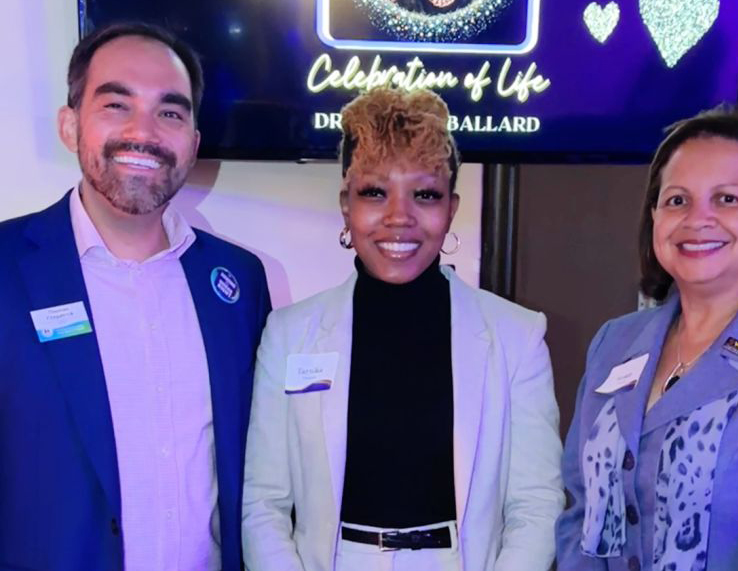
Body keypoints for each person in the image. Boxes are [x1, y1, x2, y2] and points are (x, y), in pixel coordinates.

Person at [242, 87, 563, 571]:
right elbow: (263, 504)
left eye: (425, 194)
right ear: (346, 204)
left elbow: (536, 505)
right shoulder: (288, 335)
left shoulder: (516, 337)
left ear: (451, 208)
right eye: (375, 192)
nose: (399, 217)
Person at [0, 23, 270, 570]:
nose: (143, 133)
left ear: (193, 141)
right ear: (70, 125)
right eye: (116, 105)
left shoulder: (237, 281)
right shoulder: (6, 267)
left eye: (170, 112)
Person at [556, 107, 738, 570]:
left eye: (727, 199)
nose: (697, 219)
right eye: (677, 200)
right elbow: (580, 510)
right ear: (655, 217)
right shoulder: (614, 341)